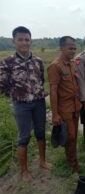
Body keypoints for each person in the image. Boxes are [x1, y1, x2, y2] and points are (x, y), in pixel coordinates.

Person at [0, 26, 52, 181]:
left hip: (39, 103)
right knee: (23, 137)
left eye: (27, 40)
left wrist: (37, 92)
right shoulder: (7, 62)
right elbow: (2, 85)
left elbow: (41, 80)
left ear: (31, 41)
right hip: (21, 105)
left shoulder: (38, 61)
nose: (24, 43)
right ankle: (24, 170)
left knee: (41, 133)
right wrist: (16, 94)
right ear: (13, 41)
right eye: (20, 40)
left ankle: (42, 162)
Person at [47, 36, 81, 174]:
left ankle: (73, 160)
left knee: (74, 136)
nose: (73, 51)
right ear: (61, 48)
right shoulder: (55, 66)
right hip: (64, 108)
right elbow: (53, 91)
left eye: (74, 48)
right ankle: (72, 164)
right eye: (70, 48)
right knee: (71, 136)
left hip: (75, 106)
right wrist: (55, 114)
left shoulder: (72, 64)